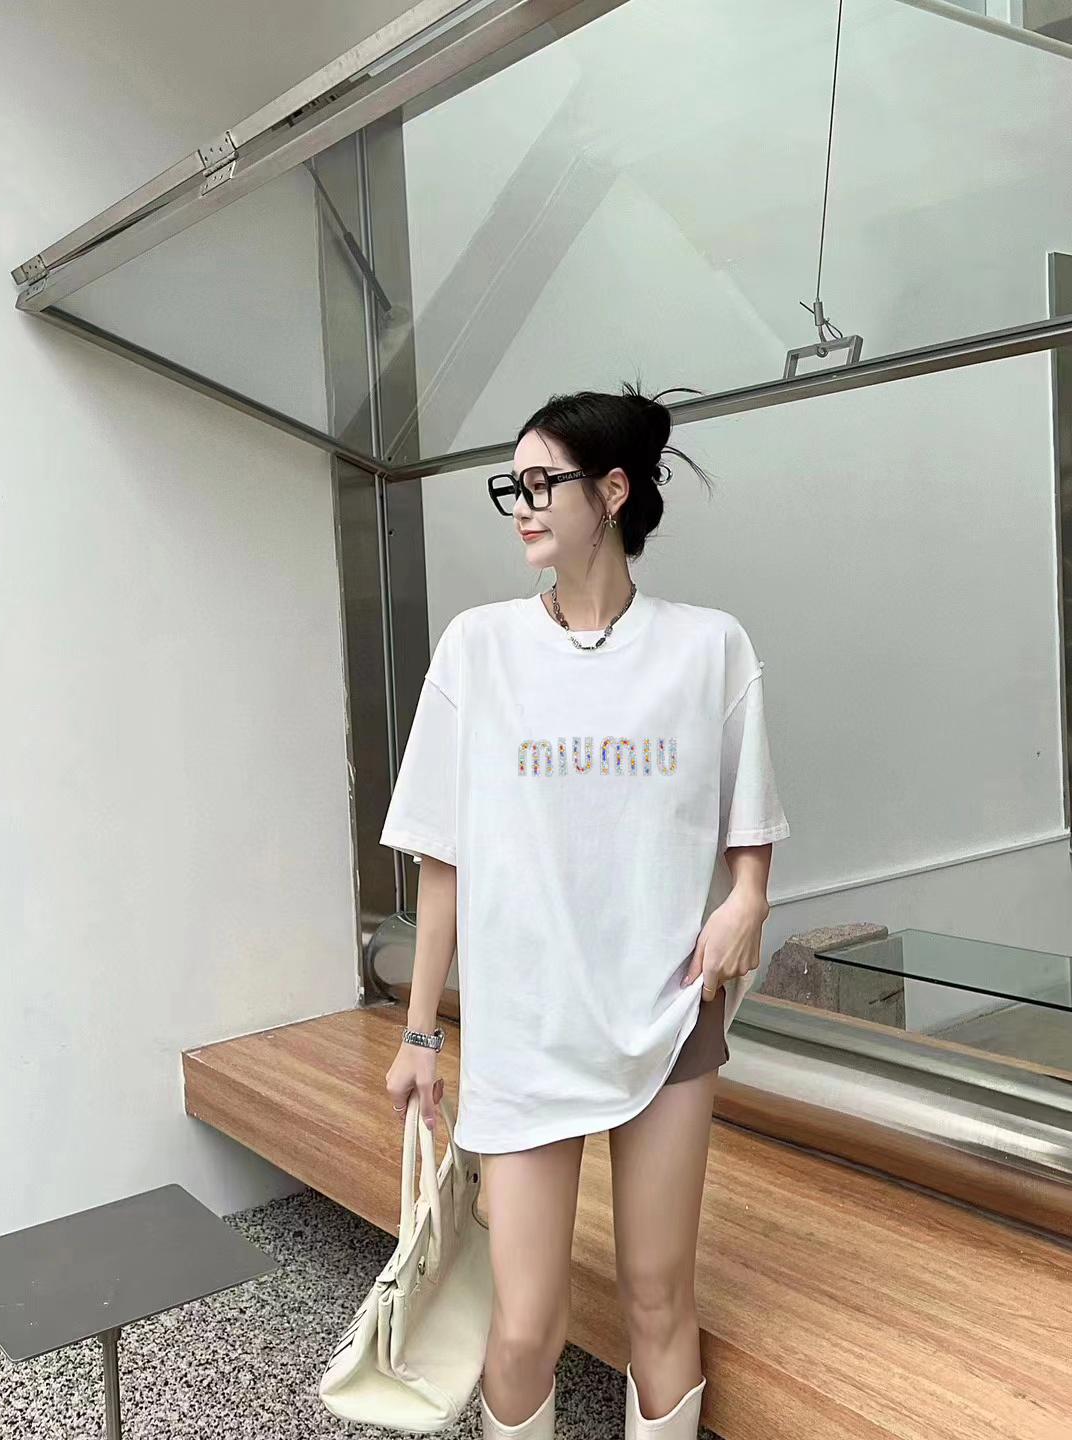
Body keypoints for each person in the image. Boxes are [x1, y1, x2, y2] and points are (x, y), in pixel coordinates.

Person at [380, 385, 789, 1440]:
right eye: (510, 486)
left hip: (669, 1010)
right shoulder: (478, 649)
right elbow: (443, 859)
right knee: (526, 1326)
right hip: (526, 1025)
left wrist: (747, 898)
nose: (521, 505)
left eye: (540, 483)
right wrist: (421, 1034)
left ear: (611, 492)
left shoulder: (709, 649)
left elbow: (750, 830)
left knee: (658, 1300)